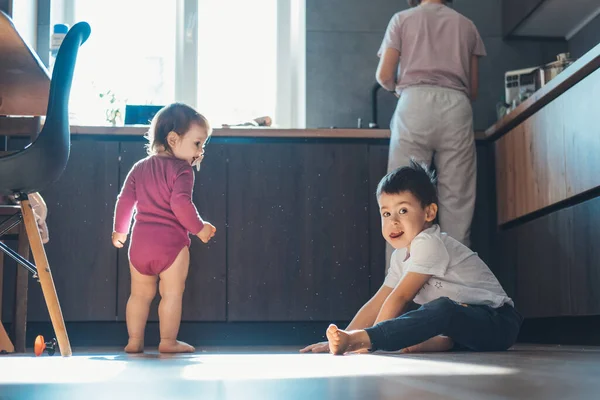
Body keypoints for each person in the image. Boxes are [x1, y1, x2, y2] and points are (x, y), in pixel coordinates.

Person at [301, 161, 521, 355]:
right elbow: (379, 301)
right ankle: (443, 342)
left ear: (429, 213)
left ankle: (436, 340)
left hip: (498, 322)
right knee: (432, 316)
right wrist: (345, 335)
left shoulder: (429, 242)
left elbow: (401, 297)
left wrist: (364, 340)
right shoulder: (400, 257)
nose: (393, 221)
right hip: (465, 324)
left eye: (403, 211)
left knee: (442, 309)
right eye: (386, 214)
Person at [376, 0, 486, 247]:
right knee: (457, 201)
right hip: (456, 107)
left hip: (414, 103)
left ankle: (402, 281)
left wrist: (400, 91)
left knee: (401, 200)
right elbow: (474, 89)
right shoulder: (467, 25)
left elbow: (384, 75)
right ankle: (457, 281)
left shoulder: (402, 19)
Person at [112, 103, 217, 354]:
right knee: (171, 294)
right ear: (173, 139)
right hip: (171, 245)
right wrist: (199, 228)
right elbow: (180, 203)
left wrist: (120, 230)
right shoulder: (182, 170)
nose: (201, 151)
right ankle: (168, 341)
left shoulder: (139, 167)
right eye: (197, 144)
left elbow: (125, 200)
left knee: (138, 295)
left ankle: (134, 340)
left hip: (139, 245)